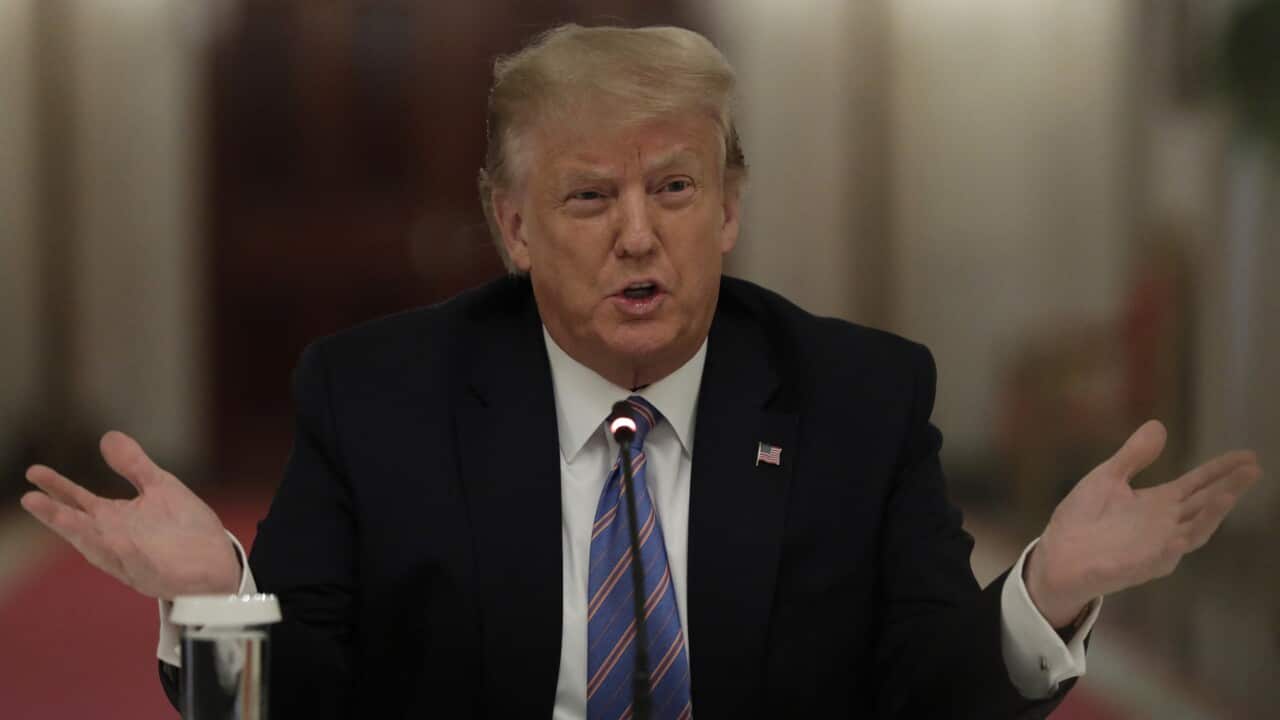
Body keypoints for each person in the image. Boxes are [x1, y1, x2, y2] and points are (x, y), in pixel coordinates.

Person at [19, 24, 1261, 719]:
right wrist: (216, 596)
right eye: (586, 197)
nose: (636, 235)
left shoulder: (854, 397)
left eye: (674, 189)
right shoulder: (375, 394)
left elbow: (927, 699)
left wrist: (1044, 590)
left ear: (728, 211)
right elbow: (300, 711)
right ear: (510, 227)